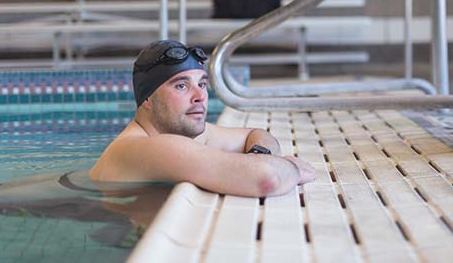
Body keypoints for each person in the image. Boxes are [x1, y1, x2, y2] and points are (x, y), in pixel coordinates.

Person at [89, 40, 315, 196]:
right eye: (181, 86)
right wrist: (292, 168)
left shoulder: (177, 133)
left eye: (202, 84)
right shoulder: (146, 146)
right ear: (146, 99)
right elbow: (267, 178)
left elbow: (257, 134)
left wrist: (259, 155)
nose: (200, 97)